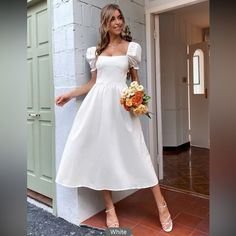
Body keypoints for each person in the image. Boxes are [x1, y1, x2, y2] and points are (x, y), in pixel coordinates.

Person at [55, 3, 173, 233]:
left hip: (122, 108)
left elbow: (135, 83)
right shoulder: (95, 52)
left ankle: (161, 205)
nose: (118, 22)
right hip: (97, 109)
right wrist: (70, 94)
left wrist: (138, 102)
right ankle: (110, 208)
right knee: (102, 156)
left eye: (120, 18)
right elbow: (93, 84)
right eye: (112, 19)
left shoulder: (132, 49)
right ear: (105, 23)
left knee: (139, 152)